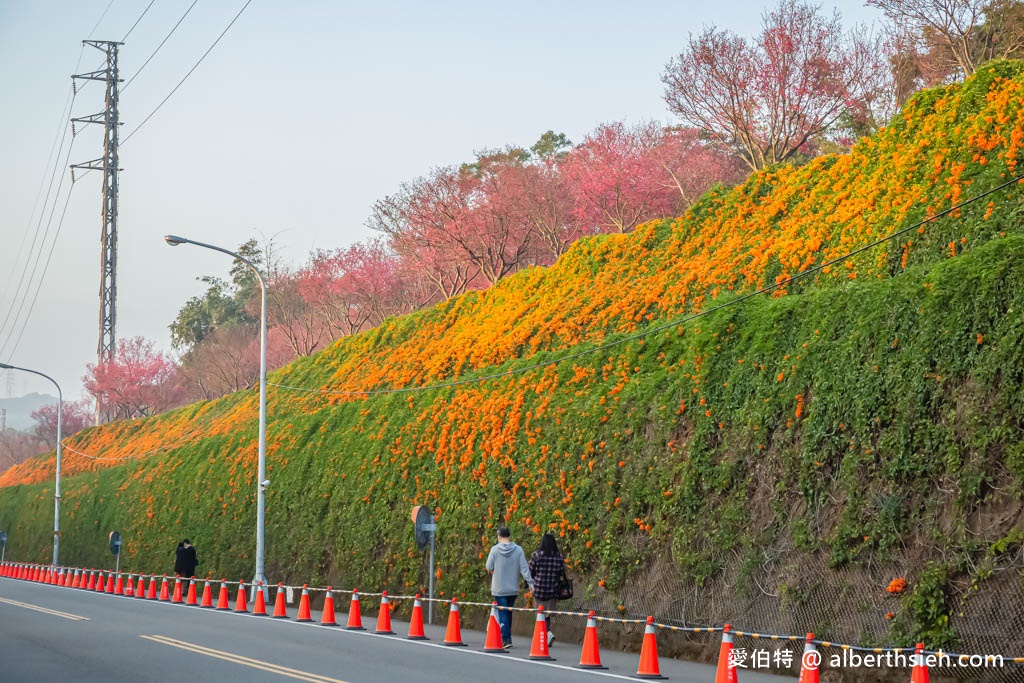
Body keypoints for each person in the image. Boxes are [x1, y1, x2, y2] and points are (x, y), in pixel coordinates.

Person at [485, 527, 534, 649]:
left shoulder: (494, 550)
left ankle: (506, 639)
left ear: (499, 536)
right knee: (508, 612)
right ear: (509, 535)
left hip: (499, 587)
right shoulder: (518, 550)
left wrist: (494, 573)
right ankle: (507, 637)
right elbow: (524, 568)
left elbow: (488, 566)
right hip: (512, 587)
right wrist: (531, 583)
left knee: (503, 613)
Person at [529, 532, 566, 646]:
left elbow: (531, 570)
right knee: (547, 614)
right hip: (552, 589)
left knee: (540, 613)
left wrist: (530, 584)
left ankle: (546, 634)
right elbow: (561, 572)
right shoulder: (558, 557)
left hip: (538, 589)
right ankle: (546, 634)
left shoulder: (537, 555)